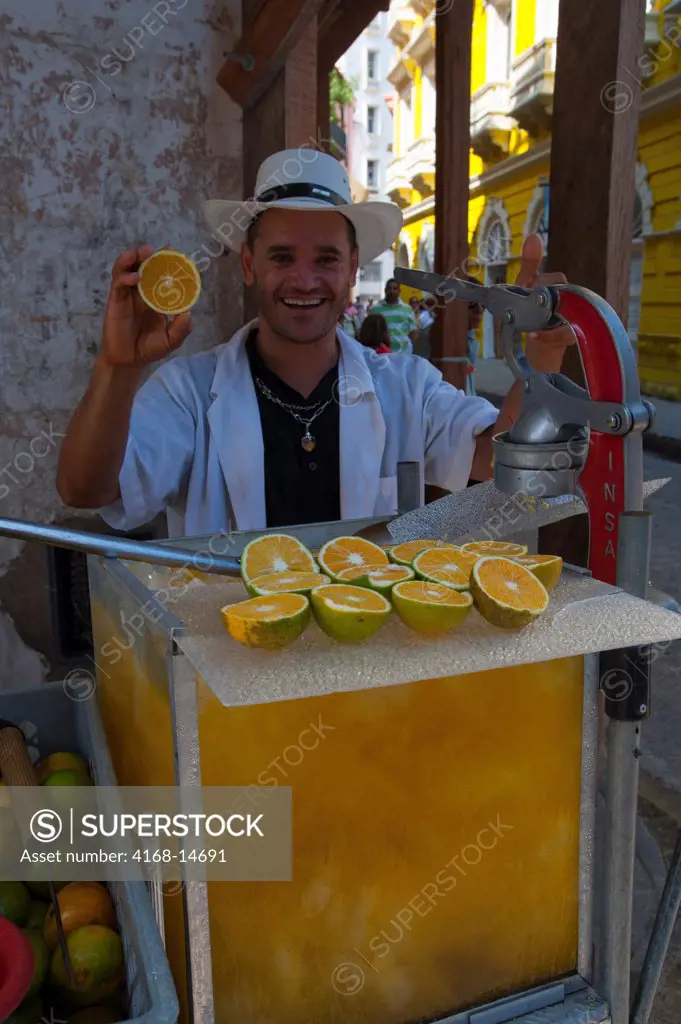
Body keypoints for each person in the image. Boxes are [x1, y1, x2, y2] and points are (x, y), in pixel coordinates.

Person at [56, 148, 574, 537]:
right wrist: (117, 368)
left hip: (365, 653)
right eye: (282, 257)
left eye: (325, 259)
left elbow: (504, 465)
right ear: (248, 265)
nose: (304, 281)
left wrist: (544, 357)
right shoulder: (189, 392)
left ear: (352, 269)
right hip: (229, 662)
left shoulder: (405, 385)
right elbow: (87, 491)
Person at [372, 279, 419, 354]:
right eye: (389, 288)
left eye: (395, 288)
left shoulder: (408, 309)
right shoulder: (375, 309)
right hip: (381, 353)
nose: (392, 291)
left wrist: (407, 345)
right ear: (385, 290)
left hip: (403, 352)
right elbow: (370, 331)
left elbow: (414, 331)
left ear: (399, 291)